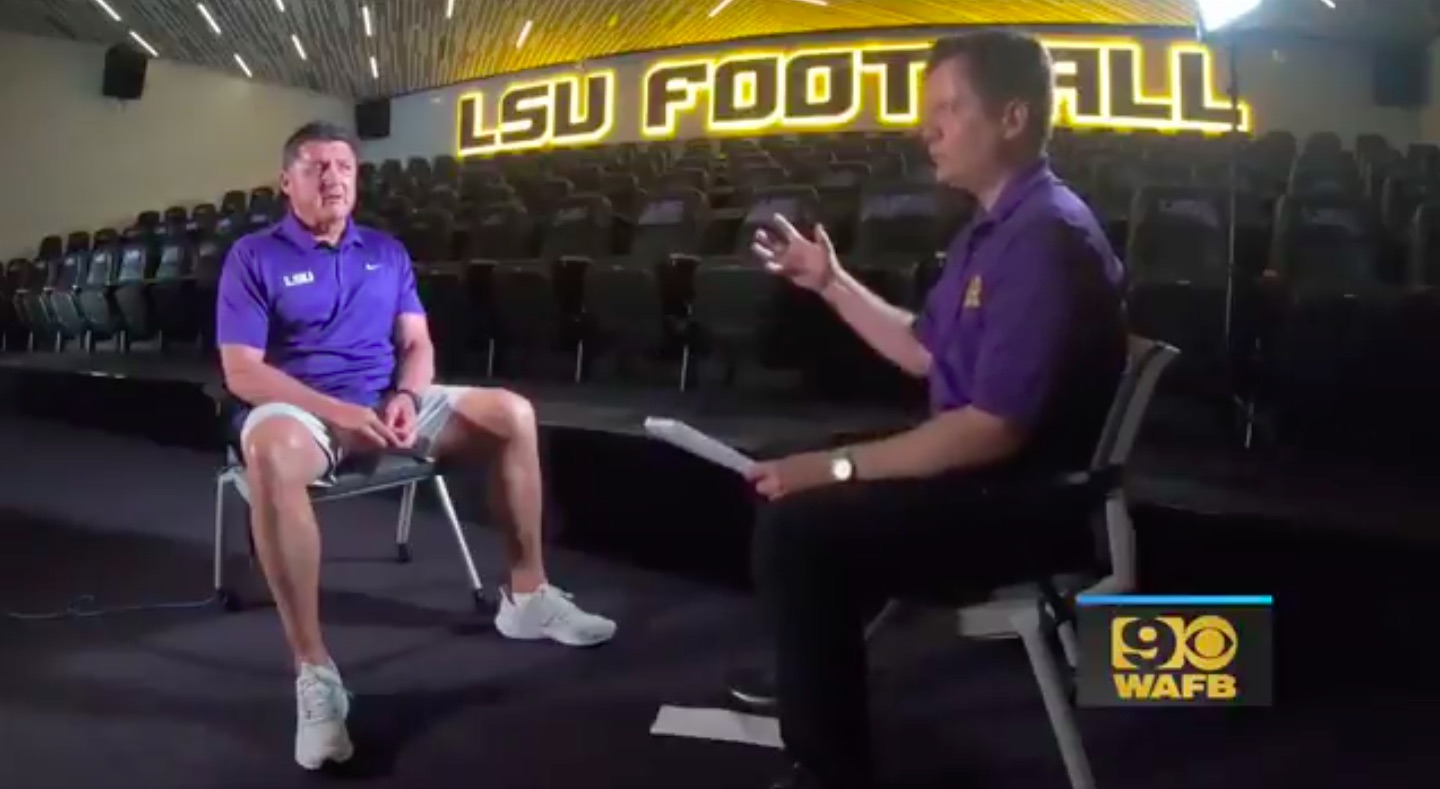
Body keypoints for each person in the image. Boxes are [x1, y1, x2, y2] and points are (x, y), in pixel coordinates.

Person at [737, 32, 1128, 789]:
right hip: (988, 482)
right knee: (797, 474)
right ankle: (813, 672)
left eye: (948, 109)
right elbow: (925, 351)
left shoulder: (1046, 238)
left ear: (1012, 118)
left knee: (800, 529)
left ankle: (829, 770)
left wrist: (837, 468)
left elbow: (991, 428)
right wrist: (831, 282)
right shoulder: (995, 229)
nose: (928, 130)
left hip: (1022, 505)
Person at [216, 121, 616, 771]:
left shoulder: (386, 250)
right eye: (316, 166)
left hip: (385, 401)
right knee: (269, 450)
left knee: (511, 413)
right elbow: (242, 372)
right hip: (303, 410)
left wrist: (405, 395)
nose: (333, 177)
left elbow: (417, 343)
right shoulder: (254, 256)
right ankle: (315, 674)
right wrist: (338, 412)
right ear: (287, 181)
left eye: (344, 166)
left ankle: (527, 596)